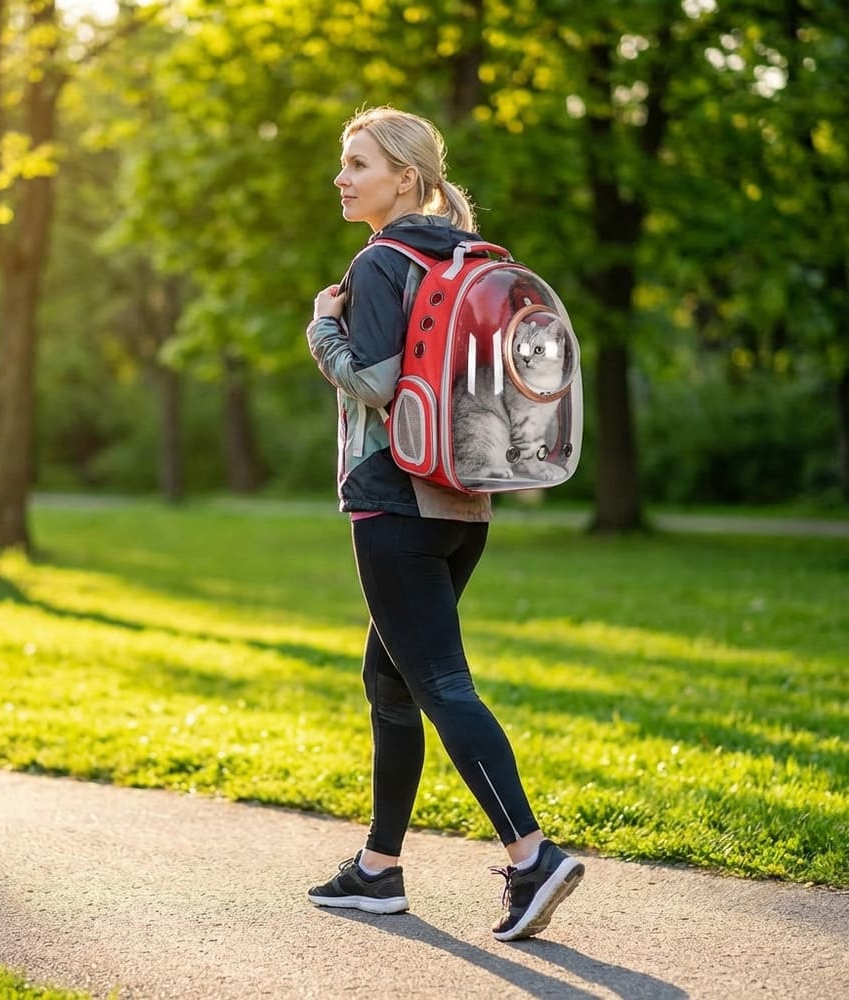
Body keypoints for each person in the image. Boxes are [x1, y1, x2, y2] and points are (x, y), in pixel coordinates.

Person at [304, 106, 584, 941]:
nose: (343, 178)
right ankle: (379, 870)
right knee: (390, 683)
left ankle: (532, 855)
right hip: (464, 501)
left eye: (358, 164)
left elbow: (378, 381)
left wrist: (322, 329)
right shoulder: (459, 257)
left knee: (439, 684)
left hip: (394, 500)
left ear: (405, 178)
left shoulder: (384, 262)